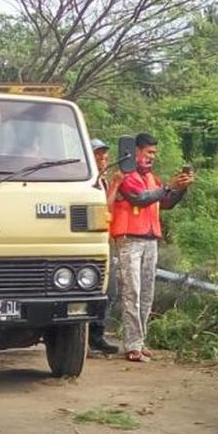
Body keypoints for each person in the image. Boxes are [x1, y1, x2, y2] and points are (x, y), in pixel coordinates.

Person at [110, 133, 193, 362]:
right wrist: (169, 186)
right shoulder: (126, 177)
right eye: (149, 153)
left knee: (147, 293)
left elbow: (165, 203)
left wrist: (181, 189)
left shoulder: (153, 179)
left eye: (154, 154)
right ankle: (132, 345)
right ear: (136, 151)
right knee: (132, 291)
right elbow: (139, 198)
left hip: (150, 240)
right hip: (129, 239)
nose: (151, 158)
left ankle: (140, 341)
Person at [88, 138, 119, 356]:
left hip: (106, 241)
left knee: (110, 292)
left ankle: (96, 334)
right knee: (102, 290)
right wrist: (116, 185)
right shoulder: (87, 183)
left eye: (105, 156)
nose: (103, 160)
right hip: (89, 244)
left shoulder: (104, 181)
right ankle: (91, 336)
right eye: (98, 155)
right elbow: (101, 208)